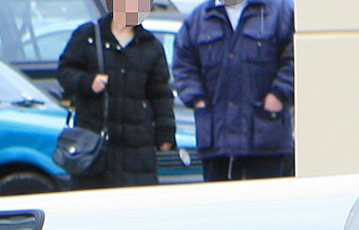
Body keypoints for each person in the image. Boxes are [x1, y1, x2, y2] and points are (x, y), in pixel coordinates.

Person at [56, 0, 174, 190]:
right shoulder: (88, 36)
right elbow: (65, 72)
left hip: (137, 148)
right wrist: (88, 82)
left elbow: (161, 94)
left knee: (134, 208)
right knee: (93, 206)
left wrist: (166, 133)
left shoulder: (151, 46)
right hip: (94, 144)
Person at [173, 0, 295, 182]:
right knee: (219, 207)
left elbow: (296, 58)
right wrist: (197, 100)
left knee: (263, 207)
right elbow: (183, 65)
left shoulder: (280, 13)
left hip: (265, 137)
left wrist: (278, 95)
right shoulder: (199, 19)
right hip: (217, 140)